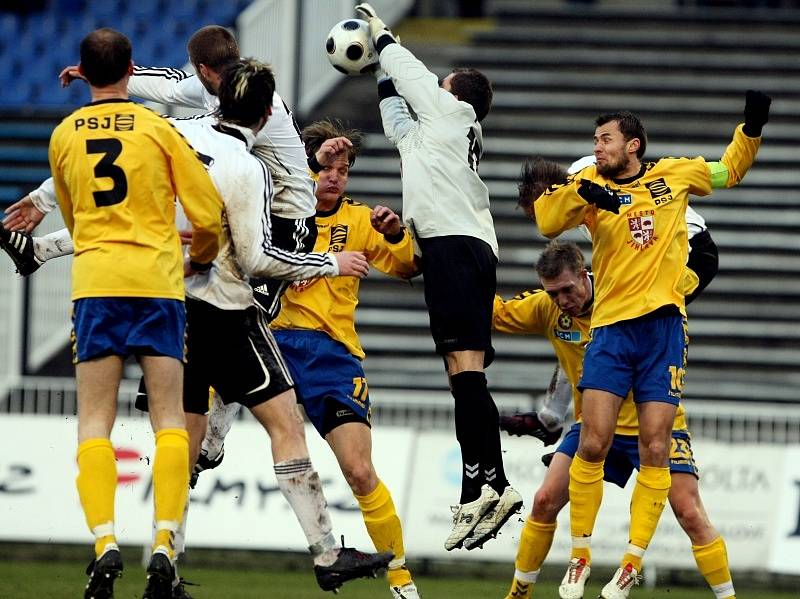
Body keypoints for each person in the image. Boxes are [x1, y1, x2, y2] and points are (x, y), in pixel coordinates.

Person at [530, 93, 770, 597]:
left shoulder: (675, 175)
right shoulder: (589, 183)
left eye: (605, 140)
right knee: (592, 442)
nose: (597, 148)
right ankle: (580, 556)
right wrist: (585, 195)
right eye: (595, 140)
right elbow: (547, 221)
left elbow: (729, 172)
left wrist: (751, 127)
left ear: (632, 145)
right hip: (612, 330)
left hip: (661, 330)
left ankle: (631, 561)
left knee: (656, 445)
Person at [48, 28, 223, 599]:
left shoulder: (64, 134)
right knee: (170, 419)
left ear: (86, 70)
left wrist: (97, 248)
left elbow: (72, 218)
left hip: (97, 282)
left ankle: (104, 543)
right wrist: (199, 259)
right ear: (131, 69)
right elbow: (206, 212)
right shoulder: (158, 129)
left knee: (94, 421)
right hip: (156, 282)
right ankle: (165, 545)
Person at [3, 24, 315, 323]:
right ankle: (42, 250)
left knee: (250, 316)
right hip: (240, 204)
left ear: (203, 69)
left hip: (286, 219)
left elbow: (162, 137)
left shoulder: (256, 102)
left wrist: (46, 196)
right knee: (144, 198)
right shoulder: (227, 87)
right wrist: (106, 77)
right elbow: (169, 85)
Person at [354, 2, 521, 552]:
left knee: (465, 369)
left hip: (453, 246)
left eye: (442, 87)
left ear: (454, 95)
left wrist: (382, 39)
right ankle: (481, 485)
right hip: (461, 245)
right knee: (460, 373)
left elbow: (412, 78)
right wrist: (381, 73)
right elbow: (396, 117)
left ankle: (493, 483)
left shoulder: (455, 115)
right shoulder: (434, 140)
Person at [494, 241, 735, 599]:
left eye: (567, 290)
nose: (562, 300)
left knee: (689, 512)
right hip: (593, 425)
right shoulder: (548, 308)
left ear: (584, 274)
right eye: (554, 293)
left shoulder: (623, 296)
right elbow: (494, 314)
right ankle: (519, 593)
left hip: (653, 427)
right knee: (544, 500)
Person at [268, 118, 420, 598]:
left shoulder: (358, 221)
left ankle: (400, 580)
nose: (335, 176)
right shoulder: (274, 210)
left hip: (332, 357)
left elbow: (409, 267)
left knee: (359, 471)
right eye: (327, 165)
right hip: (273, 341)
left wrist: (395, 234)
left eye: (344, 169)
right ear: (305, 162)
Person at [502, 154, 719, 442]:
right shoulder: (581, 183)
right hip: (668, 251)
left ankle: (599, 424)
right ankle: (559, 417)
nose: (547, 226)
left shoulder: (583, 185)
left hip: (688, 256)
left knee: (601, 331)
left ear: (546, 197)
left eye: (538, 215)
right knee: (584, 326)